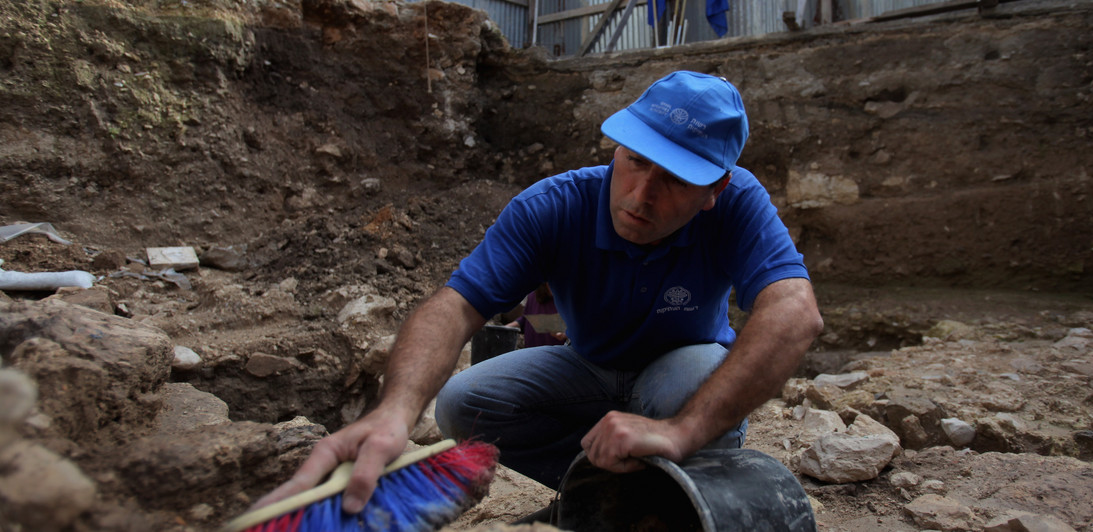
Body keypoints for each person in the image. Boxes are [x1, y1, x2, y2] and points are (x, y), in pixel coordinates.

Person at [254, 70, 823, 514]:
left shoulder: (740, 203)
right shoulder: (555, 206)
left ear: (714, 190)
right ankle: (599, 491)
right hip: (590, 367)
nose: (640, 195)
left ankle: (683, 496)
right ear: (617, 147)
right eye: (635, 162)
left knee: (687, 383)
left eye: (673, 179)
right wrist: (395, 413)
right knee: (461, 404)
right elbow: (454, 306)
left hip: (683, 369)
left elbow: (794, 312)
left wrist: (683, 430)